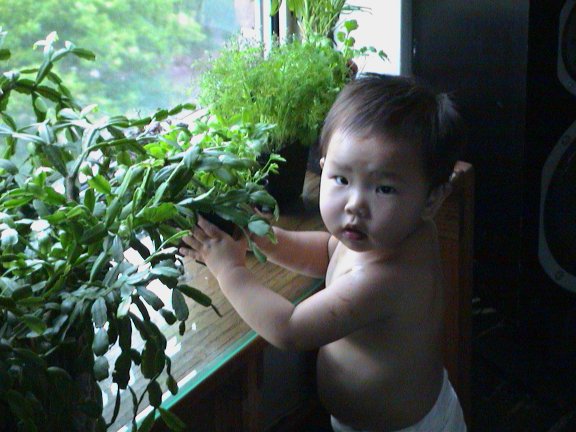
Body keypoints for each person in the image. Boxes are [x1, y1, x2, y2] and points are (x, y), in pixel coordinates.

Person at [179, 73, 467, 432]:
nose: (355, 205)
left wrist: (229, 270)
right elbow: (331, 253)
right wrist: (267, 239)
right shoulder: (399, 232)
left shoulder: (386, 278)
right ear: (322, 163)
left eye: (385, 188)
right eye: (342, 179)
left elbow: (290, 329)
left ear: (432, 199)